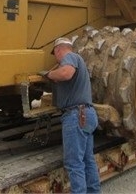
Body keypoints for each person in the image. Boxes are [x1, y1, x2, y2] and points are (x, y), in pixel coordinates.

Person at [40, 37, 101, 194]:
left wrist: (48, 74)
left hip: (76, 116)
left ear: (59, 50)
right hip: (87, 114)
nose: (56, 58)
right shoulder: (79, 60)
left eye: (55, 54)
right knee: (88, 160)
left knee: (74, 163)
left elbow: (66, 73)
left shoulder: (70, 57)